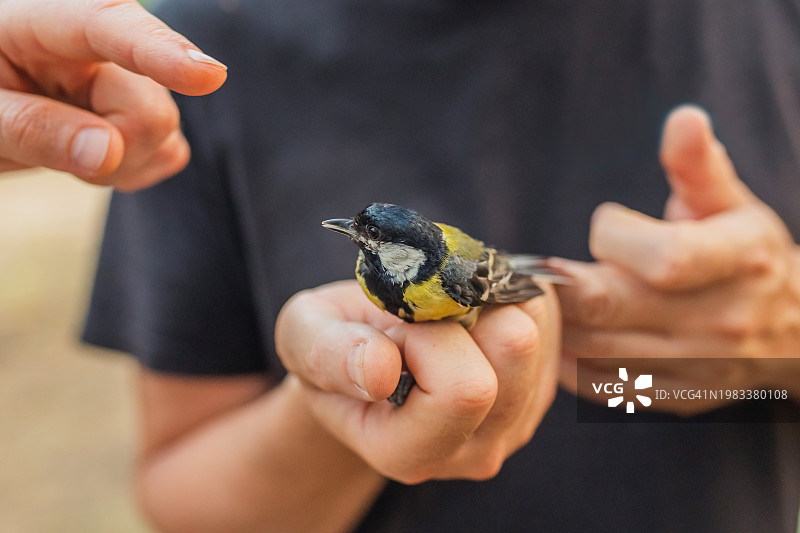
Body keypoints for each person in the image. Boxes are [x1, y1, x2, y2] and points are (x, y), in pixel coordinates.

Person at [3, 1, 799, 532]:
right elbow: (179, 496)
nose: (358, 244)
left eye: (369, 239)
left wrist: (781, 350)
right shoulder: (183, 59)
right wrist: (328, 414)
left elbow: (498, 282)